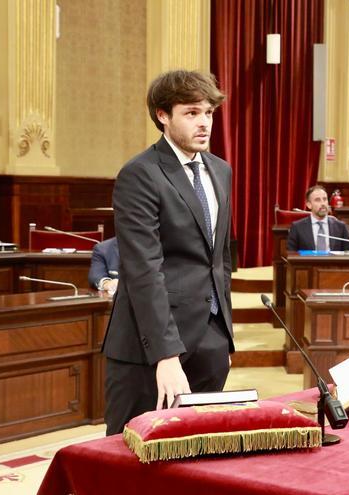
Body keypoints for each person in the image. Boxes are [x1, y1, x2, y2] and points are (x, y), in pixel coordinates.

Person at [103, 70, 234, 435]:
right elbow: (144, 269)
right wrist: (166, 354)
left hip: (210, 339)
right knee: (130, 459)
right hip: (151, 345)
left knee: (196, 455)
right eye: (192, 113)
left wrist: (223, 336)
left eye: (208, 113)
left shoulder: (221, 171)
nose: (204, 123)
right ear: (163, 114)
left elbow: (219, 259)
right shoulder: (140, 174)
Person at [287, 185, 349, 252]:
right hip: (308, 262)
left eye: (325, 199)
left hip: (333, 262)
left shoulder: (341, 227)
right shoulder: (297, 227)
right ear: (309, 205)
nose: (323, 203)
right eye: (318, 200)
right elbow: (291, 254)